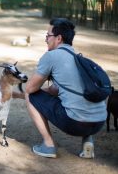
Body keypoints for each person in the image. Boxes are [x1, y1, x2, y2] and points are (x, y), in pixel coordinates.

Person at [25, 18, 106, 158]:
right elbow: (54, 91)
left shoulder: (52, 56)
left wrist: (22, 94)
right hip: (99, 123)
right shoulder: (78, 59)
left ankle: (48, 145)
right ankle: (88, 140)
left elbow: (30, 89)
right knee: (80, 99)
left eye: (47, 35)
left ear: (58, 38)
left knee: (29, 96)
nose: (46, 39)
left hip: (75, 124)